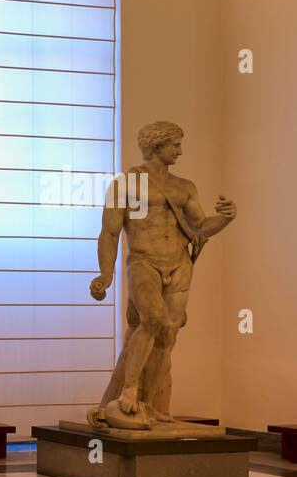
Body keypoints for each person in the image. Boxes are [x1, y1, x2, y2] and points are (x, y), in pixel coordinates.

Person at [88, 121, 236, 428]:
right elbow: (110, 232)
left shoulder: (184, 187)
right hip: (144, 261)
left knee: (168, 335)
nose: (180, 152)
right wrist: (106, 273)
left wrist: (225, 219)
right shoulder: (125, 184)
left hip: (180, 263)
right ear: (157, 145)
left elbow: (198, 228)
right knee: (151, 319)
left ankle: (150, 403)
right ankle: (129, 390)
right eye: (175, 145)